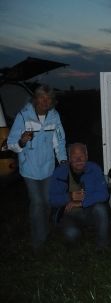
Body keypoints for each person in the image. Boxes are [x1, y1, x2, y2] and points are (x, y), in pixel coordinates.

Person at [7, 85, 67, 252]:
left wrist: (62, 161)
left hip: (48, 167)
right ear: (35, 99)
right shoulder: (24, 115)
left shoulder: (54, 116)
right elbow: (11, 143)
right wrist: (22, 141)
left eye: (48, 99)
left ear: (52, 101)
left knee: (47, 202)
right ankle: (37, 241)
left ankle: (44, 232)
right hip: (29, 169)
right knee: (37, 202)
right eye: (42, 97)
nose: (45, 101)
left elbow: (59, 141)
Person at [49, 143, 109, 250]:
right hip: (67, 214)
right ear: (69, 158)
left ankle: (102, 247)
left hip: (88, 210)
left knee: (101, 209)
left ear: (86, 156)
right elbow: (51, 199)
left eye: (81, 155)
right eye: (74, 156)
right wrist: (69, 196)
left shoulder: (94, 168)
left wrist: (81, 202)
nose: (78, 159)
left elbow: (104, 194)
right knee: (72, 234)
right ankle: (77, 231)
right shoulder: (60, 172)